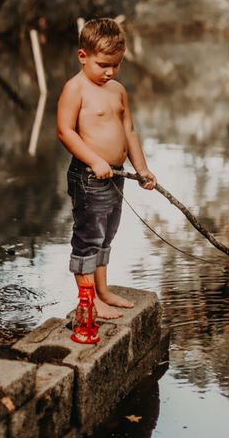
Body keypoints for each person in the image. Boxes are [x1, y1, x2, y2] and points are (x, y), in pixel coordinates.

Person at [57, 18, 157, 319]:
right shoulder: (75, 89)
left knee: (106, 235)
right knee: (88, 238)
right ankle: (87, 301)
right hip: (89, 177)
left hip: (115, 177)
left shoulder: (117, 90)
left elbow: (129, 131)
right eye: (103, 64)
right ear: (82, 56)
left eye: (116, 64)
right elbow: (65, 131)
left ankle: (102, 290)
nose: (110, 72)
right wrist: (94, 160)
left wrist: (142, 169)